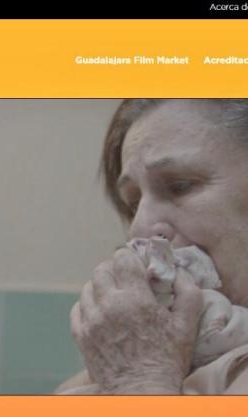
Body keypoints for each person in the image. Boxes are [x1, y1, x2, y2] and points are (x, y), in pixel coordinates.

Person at [57, 99, 248, 394]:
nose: (139, 229)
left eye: (180, 186)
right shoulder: (166, 349)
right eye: (133, 204)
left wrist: (140, 379)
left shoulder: (148, 363)